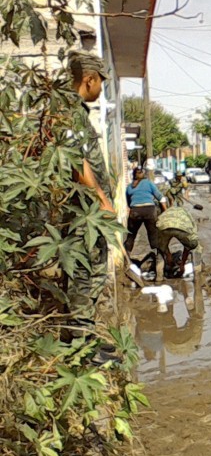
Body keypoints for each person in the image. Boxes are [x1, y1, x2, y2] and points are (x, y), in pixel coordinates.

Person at [63, 51, 114, 346]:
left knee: (88, 272)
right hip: (84, 212)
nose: (101, 90)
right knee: (86, 274)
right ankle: (81, 345)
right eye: (100, 83)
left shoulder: (75, 111)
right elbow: (76, 161)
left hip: (86, 210)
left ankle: (82, 337)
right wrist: (102, 200)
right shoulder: (72, 112)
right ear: (90, 79)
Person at [124, 168, 168, 273]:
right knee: (154, 237)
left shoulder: (129, 187)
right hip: (149, 211)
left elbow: (129, 203)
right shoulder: (148, 183)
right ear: (143, 175)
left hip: (135, 212)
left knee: (131, 237)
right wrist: (166, 212)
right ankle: (159, 267)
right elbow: (161, 199)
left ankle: (125, 261)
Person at [155, 206, 198, 279]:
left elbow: (157, 223)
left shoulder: (167, 212)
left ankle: (159, 276)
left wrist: (168, 255)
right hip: (182, 228)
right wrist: (183, 264)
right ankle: (197, 275)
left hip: (163, 227)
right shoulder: (186, 213)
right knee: (194, 246)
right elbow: (192, 236)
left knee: (160, 248)